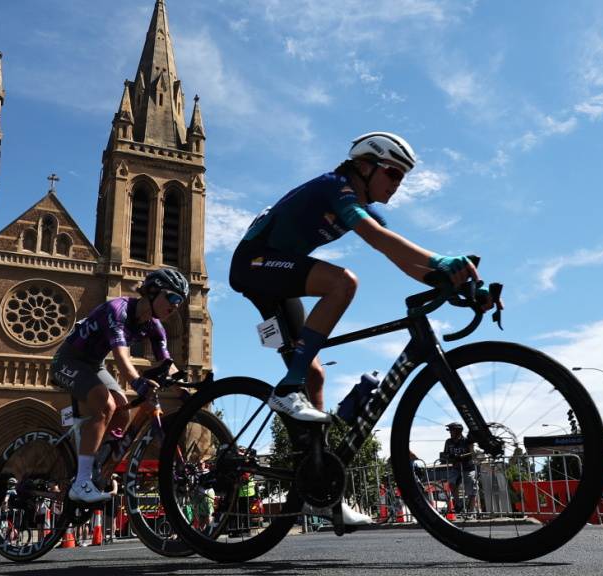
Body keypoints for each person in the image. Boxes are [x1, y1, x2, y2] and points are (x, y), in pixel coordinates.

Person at [228, 132, 494, 525]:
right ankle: (286, 389)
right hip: (253, 264)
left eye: (402, 178)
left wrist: (459, 281)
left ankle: (321, 491)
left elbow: (401, 256)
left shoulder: (359, 200)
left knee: (314, 375)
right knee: (342, 282)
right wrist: (443, 260)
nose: (396, 184)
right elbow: (378, 239)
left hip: (277, 272)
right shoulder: (336, 188)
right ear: (365, 166)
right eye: (393, 174)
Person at [51, 268, 188, 503]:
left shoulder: (155, 327)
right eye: (173, 297)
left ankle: (98, 464)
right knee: (104, 405)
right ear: (153, 292)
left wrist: (186, 390)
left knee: (123, 410)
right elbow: (122, 358)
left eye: (180, 301)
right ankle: (81, 482)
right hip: (67, 361)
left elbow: (168, 364)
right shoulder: (119, 310)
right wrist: (138, 382)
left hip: (94, 365)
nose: (176, 305)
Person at [440, 421, 477, 514]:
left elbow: (472, 453)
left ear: (458, 431)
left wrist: (461, 456)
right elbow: (445, 453)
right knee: (451, 483)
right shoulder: (448, 442)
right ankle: (458, 504)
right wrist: (448, 457)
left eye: (452, 431)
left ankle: (471, 512)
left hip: (468, 467)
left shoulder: (467, 441)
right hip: (456, 468)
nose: (450, 433)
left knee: (471, 487)